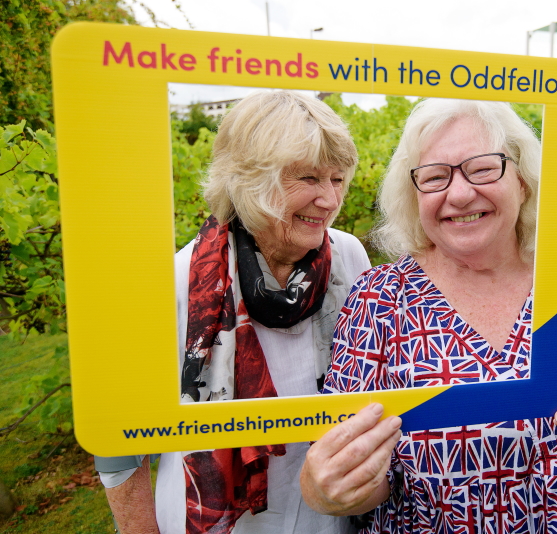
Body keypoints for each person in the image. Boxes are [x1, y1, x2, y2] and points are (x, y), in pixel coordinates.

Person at [300, 99, 557, 533]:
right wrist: (337, 488)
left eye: (483, 168)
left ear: (523, 180)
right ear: (414, 199)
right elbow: (363, 473)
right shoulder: (380, 301)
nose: (460, 193)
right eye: (435, 177)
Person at [95, 90, 371, 534]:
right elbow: (119, 446)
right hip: (219, 520)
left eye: (337, 180)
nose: (328, 200)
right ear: (248, 179)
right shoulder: (179, 282)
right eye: (308, 178)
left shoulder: (349, 258)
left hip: (328, 517)